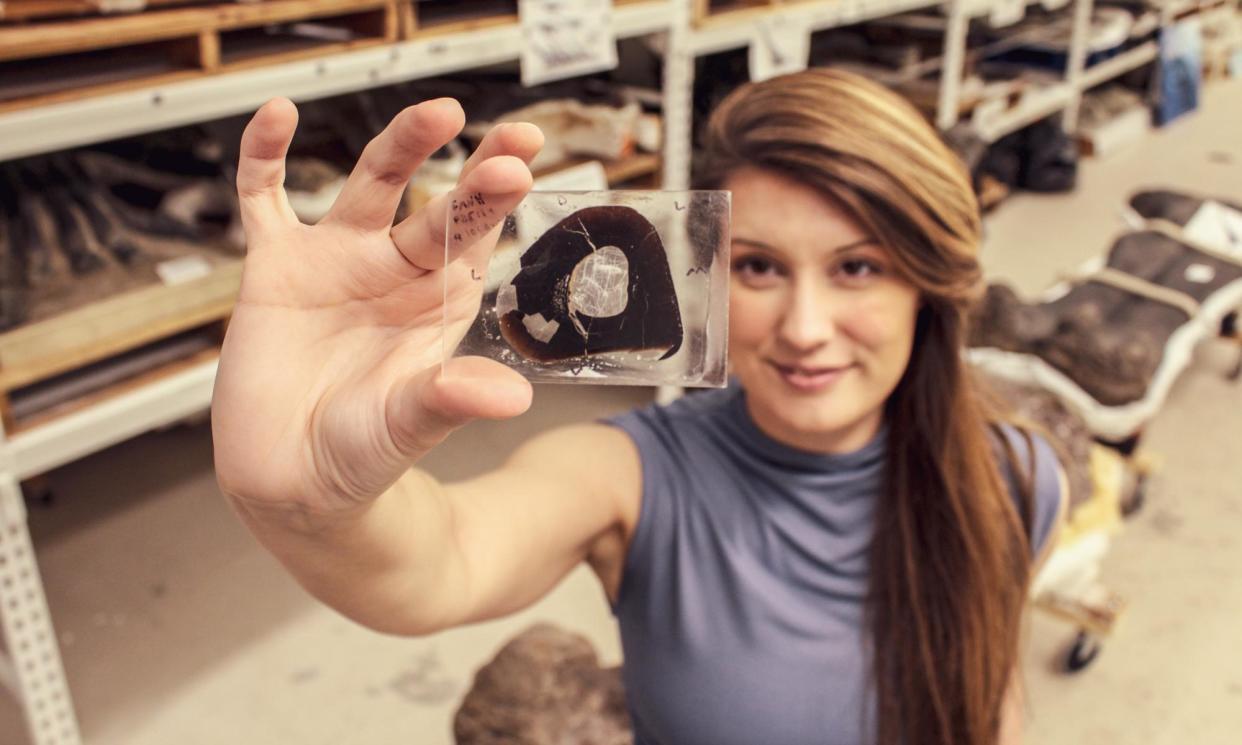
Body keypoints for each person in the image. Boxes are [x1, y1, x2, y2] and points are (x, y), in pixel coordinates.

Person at [212, 69, 1065, 745]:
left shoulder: (1014, 478)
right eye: (761, 266)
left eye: (858, 268)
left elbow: (993, 696)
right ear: (709, 271)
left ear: (930, 284)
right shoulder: (628, 474)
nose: (806, 330)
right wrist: (314, 502)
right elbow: (441, 562)